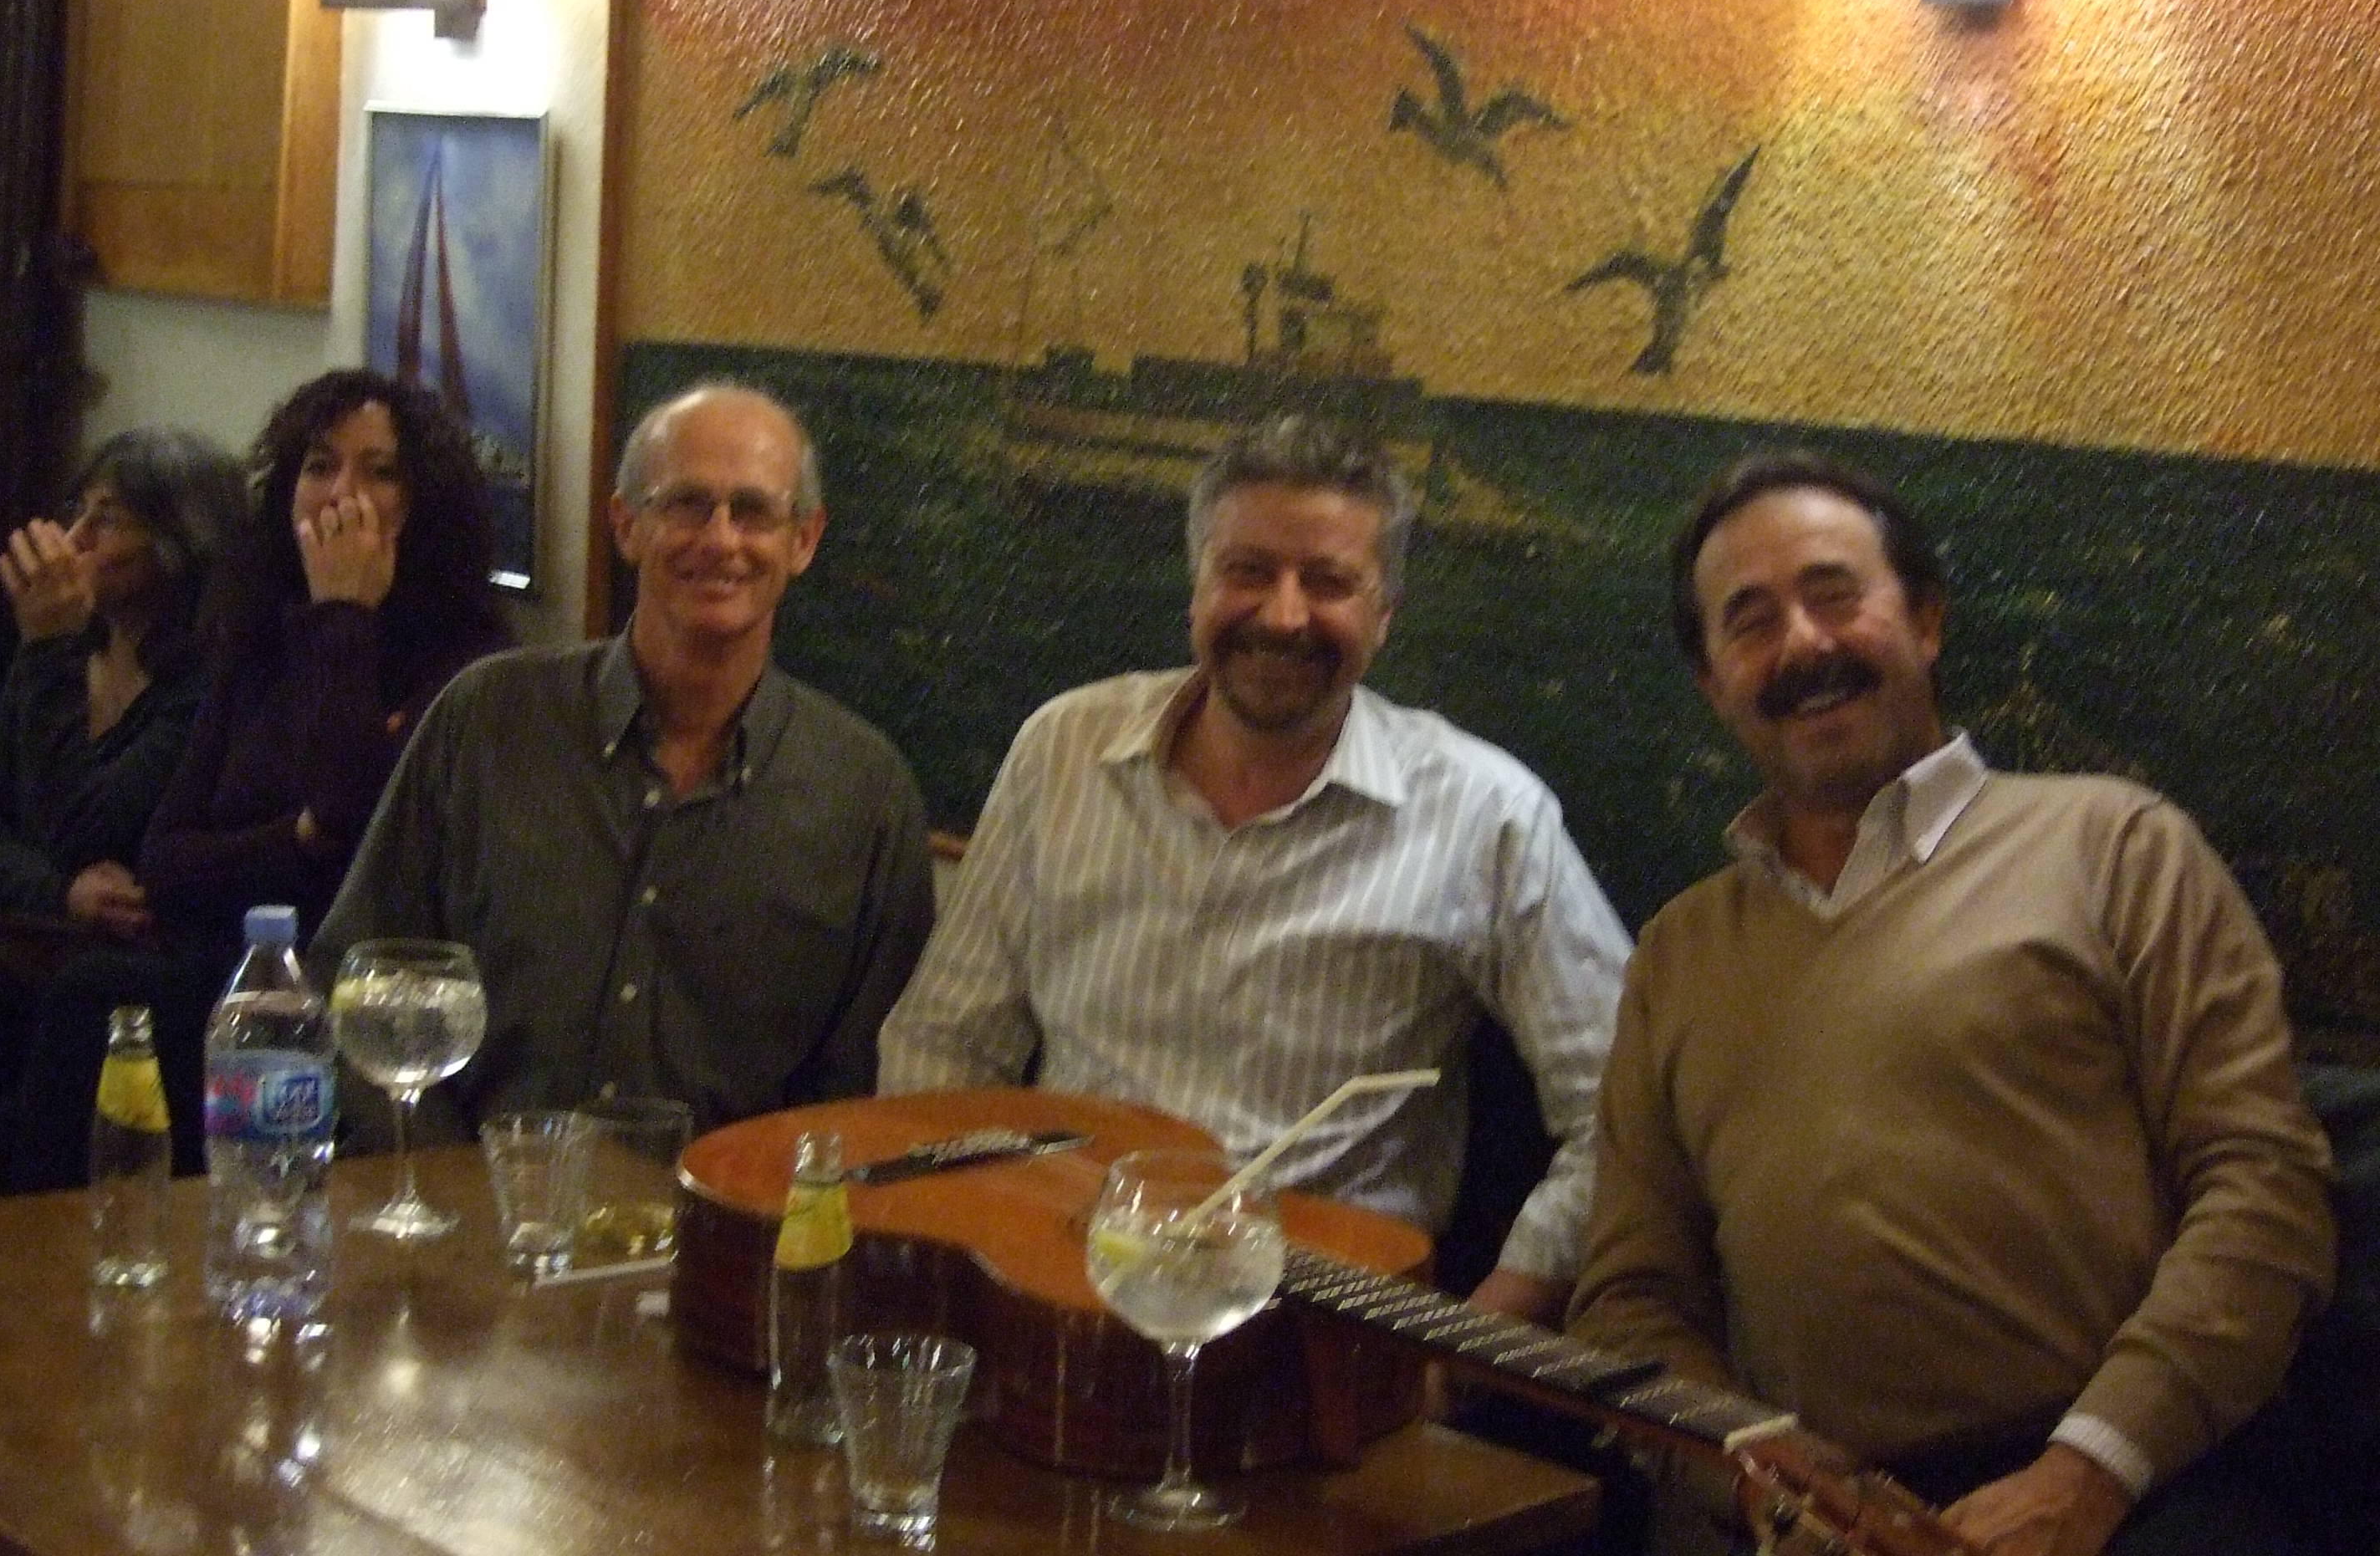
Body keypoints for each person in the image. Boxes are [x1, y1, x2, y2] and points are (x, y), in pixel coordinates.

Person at [1568, 450, 2337, 1556]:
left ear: (1924, 620)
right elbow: (1630, 1298)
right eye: (1751, 621)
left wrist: (2089, 1472)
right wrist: (1754, 1471)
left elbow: (2265, 1190)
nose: (1803, 645)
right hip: (1799, 1513)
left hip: (2132, 1491)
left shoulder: (2117, 847)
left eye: (1834, 595)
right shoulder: (1678, 953)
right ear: (1713, 683)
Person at [878, 414, 1632, 1323]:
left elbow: (1624, 1118)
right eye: (1247, 571)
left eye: (1328, 582)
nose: (1282, 615)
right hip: (1056, 1282)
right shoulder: (1061, 750)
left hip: (1327, 1321)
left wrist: (1475, 1336)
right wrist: (960, 1265)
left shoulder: (1487, 814)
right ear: (1197, 587)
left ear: (1384, 615)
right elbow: (944, 1045)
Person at [314, 383, 935, 1141]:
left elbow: (864, 1095)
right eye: (687, 505)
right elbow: (359, 986)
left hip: (730, 1211)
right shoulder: (485, 722)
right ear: (626, 525)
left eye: (753, 511)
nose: (721, 539)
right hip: (471, 1193)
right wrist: (449, 1184)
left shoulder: (864, 798)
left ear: (803, 540)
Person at [5, 370, 512, 1188]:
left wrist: (344, 615)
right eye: (319, 466)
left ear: (425, 502)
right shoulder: (254, 637)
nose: (342, 494)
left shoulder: (466, 662)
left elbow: (353, 829)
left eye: (380, 472)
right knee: (84, 1003)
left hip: (355, 991)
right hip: (220, 966)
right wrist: (298, 837)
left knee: (96, 995)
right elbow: (167, 860)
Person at [0, 427, 247, 941]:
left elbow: (88, 835)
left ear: (179, 544)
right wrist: (59, 893)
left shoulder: (207, 686)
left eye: (107, 520)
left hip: (136, 958)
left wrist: (50, 645)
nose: (73, 539)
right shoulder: (55, 651)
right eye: (78, 512)